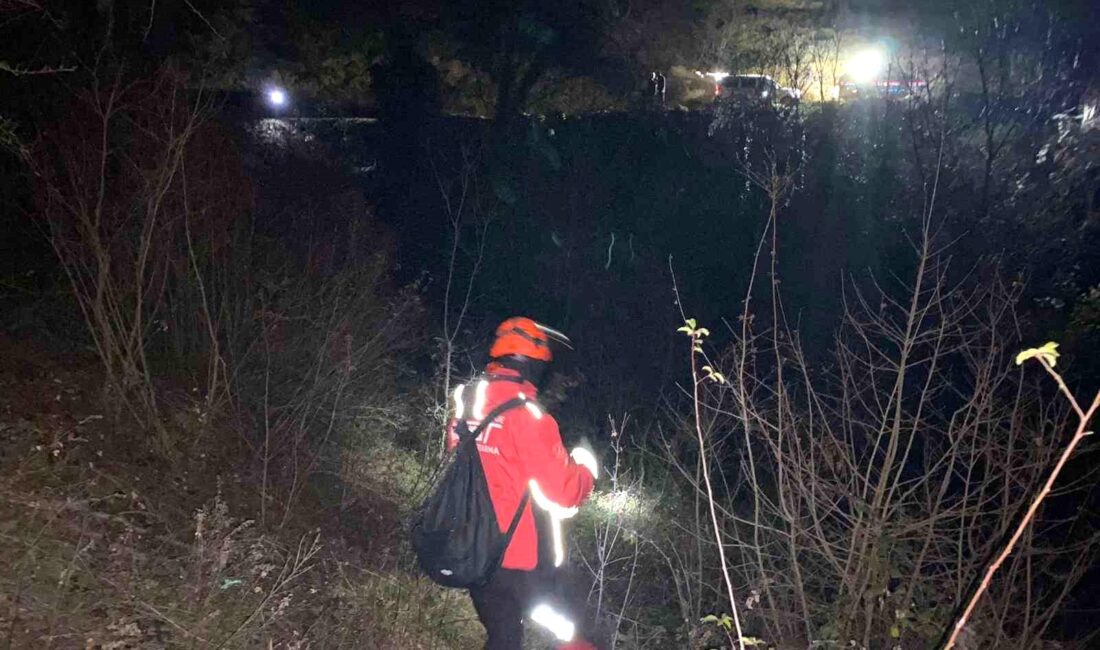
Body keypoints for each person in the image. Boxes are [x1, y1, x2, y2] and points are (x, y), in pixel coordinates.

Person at [447, 317, 599, 650]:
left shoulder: (467, 400)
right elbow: (565, 493)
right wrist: (587, 468)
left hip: (473, 549)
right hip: (522, 563)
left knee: (502, 637)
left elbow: (459, 454)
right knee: (579, 632)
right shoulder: (530, 419)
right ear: (532, 365)